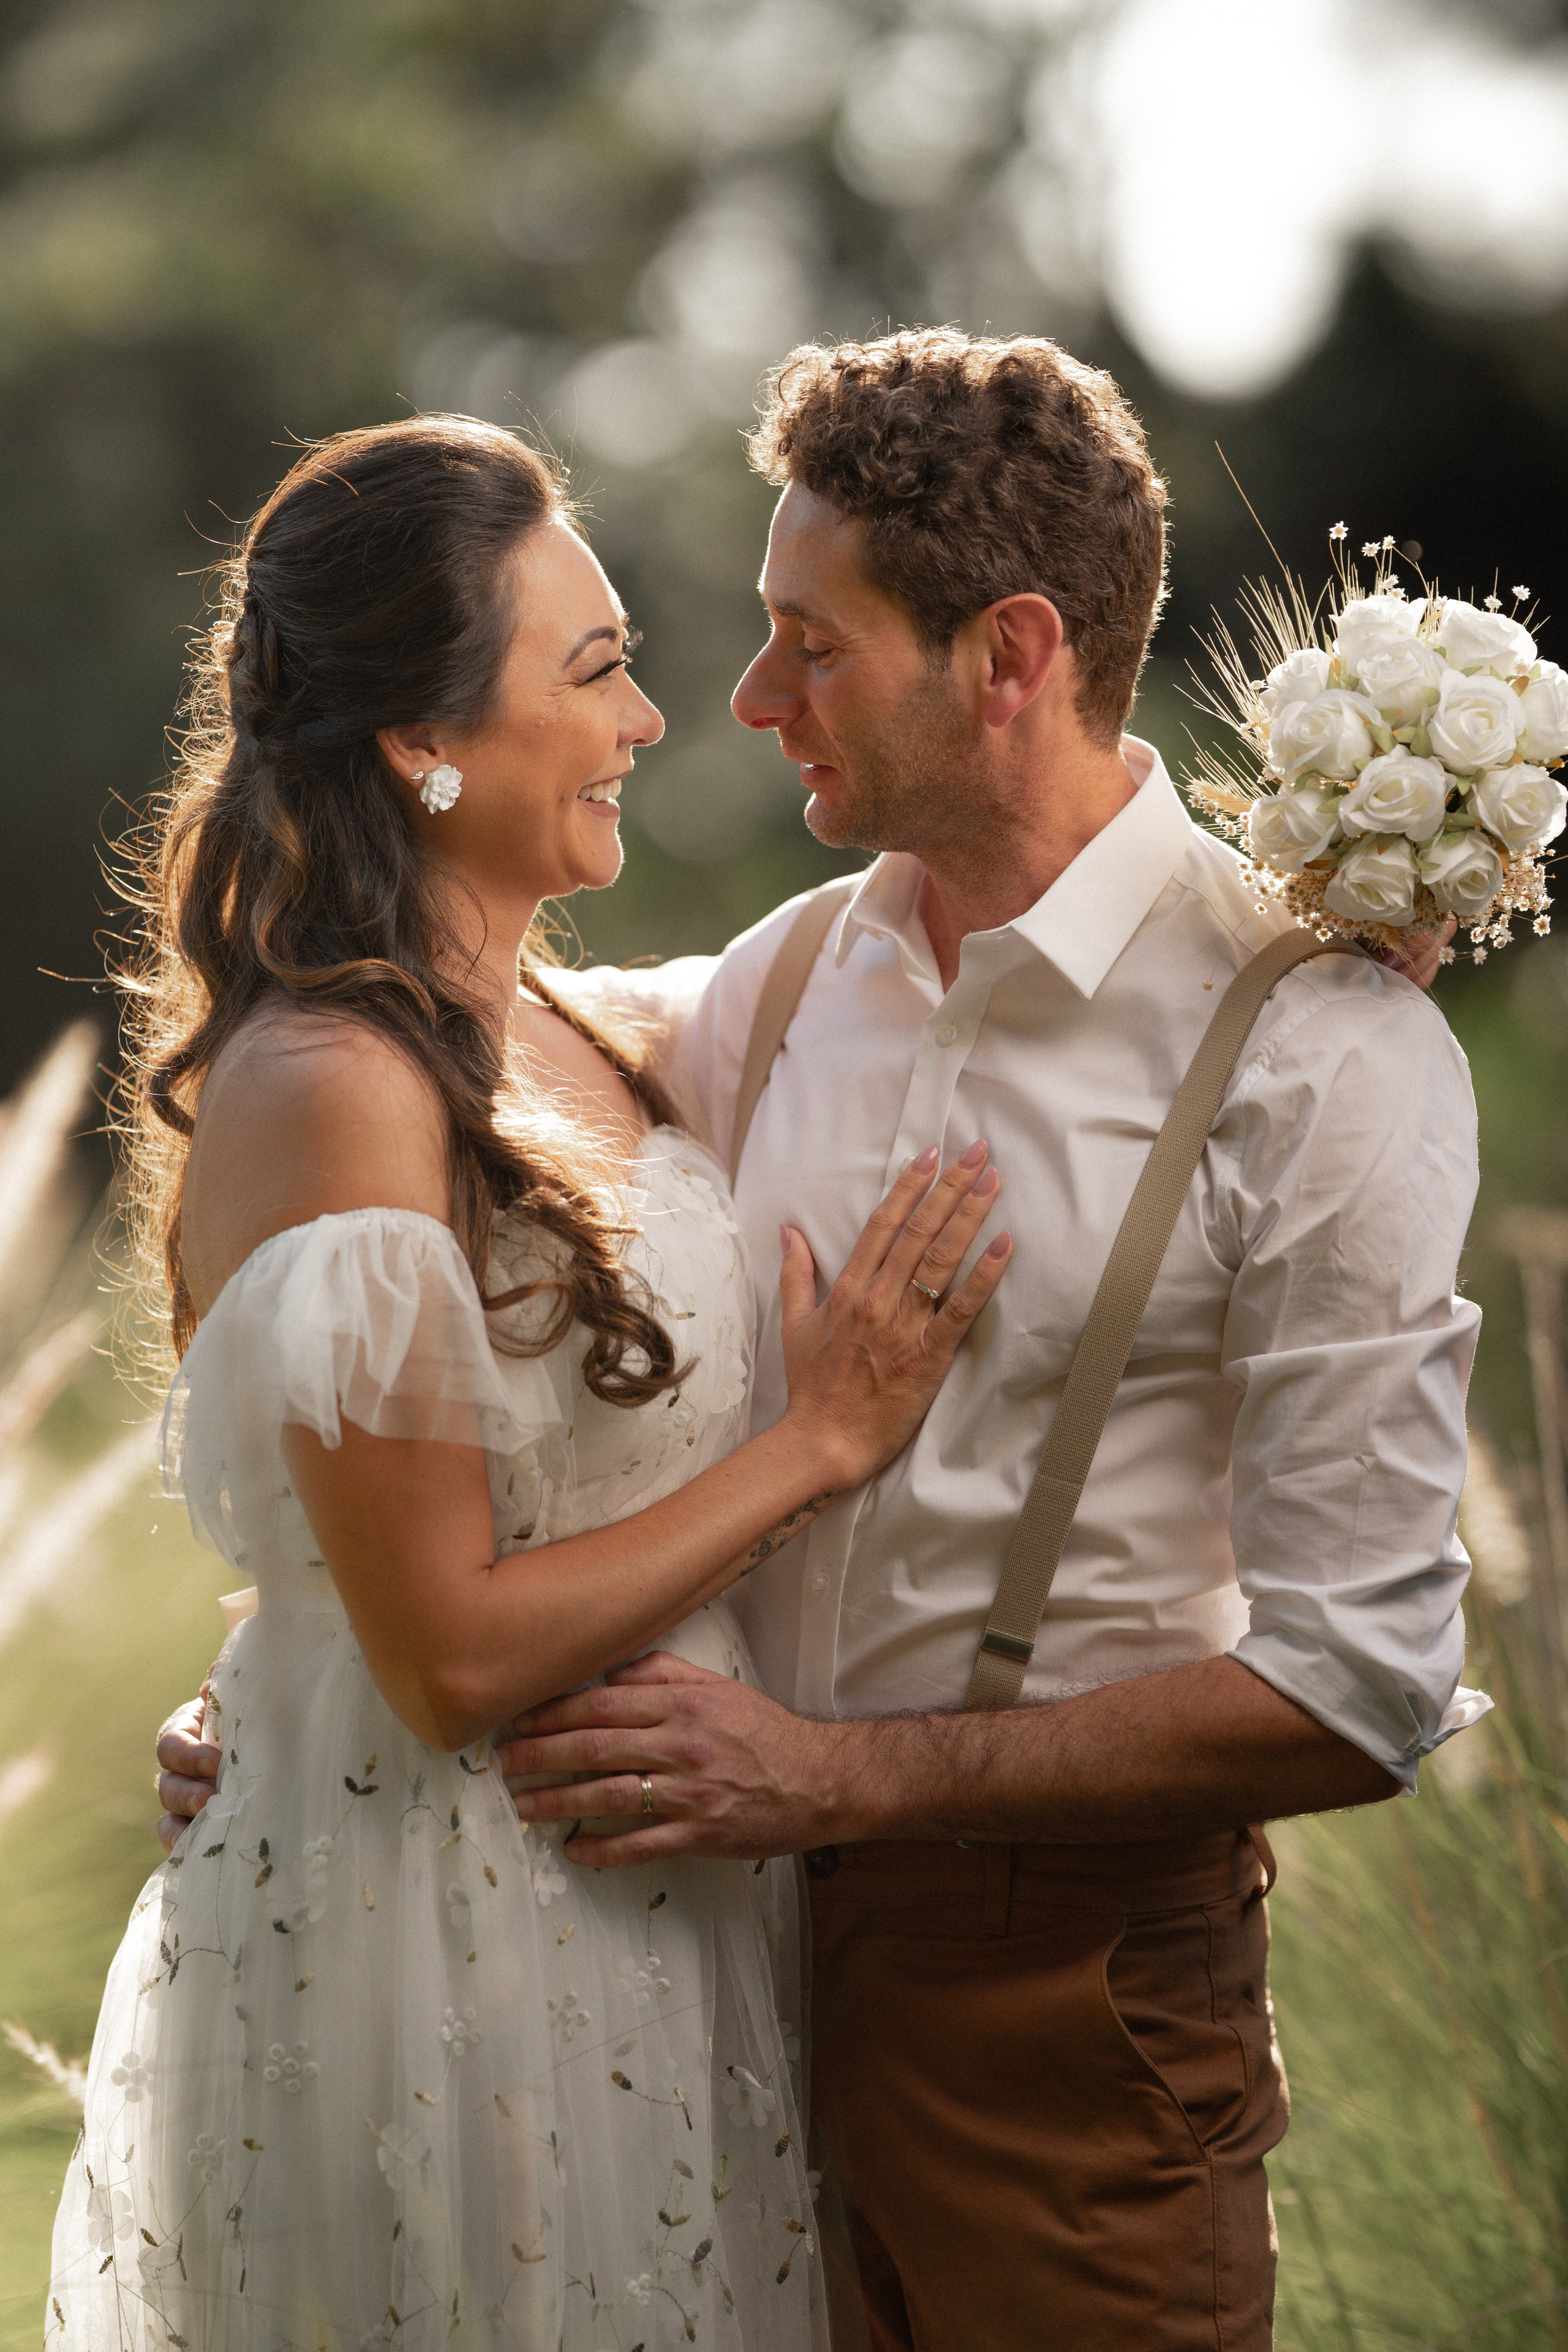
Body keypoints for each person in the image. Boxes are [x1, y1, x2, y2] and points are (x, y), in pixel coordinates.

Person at [157, 335, 1480, 2351]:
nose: (744, 700)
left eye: (811, 641)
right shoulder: (767, 989)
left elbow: (1364, 1685)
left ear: (1009, 655)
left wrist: (844, 1778)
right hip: (663, 1954)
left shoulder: (1318, 1054)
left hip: (1064, 2018)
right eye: (675, 651)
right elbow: (424, 1217)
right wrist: (308, 1699)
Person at [55, 415, 1011, 2349]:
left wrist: (1317, 941)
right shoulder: (333, 1086)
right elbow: (447, 1662)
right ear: (427, 741)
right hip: (455, 1949)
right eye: (594, 672)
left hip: (651, 1923)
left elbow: (936, 938)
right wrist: (822, 1439)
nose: (655, 717)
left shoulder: (582, 1018)